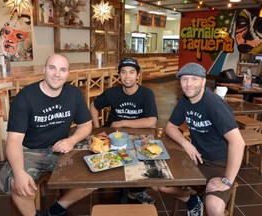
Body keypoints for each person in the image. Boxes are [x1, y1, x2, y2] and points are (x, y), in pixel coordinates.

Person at [0, 54, 93, 216]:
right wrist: (19, 173)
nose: (57, 74)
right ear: (44, 70)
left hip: (62, 149)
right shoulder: (26, 97)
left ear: (68, 74)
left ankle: (57, 209)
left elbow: (86, 125)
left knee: (96, 175)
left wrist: (72, 140)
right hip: (30, 151)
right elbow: (14, 140)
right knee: (18, 183)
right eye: (52, 68)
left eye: (62, 70)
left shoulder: (74, 94)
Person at [152, 62, 245, 216]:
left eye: (194, 79)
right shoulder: (185, 101)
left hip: (220, 163)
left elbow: (238, 142)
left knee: (214, 207)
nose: (189, 84)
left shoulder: (214, 104)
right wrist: (187, 144)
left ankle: (200, 199)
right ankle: (192, 201)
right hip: (196, 159)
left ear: (203, 81)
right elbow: (170, 127)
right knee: (158, 184)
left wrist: (227, 180)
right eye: (184, 79)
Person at [90, 57, 158, 204]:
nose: (127, 76)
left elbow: (151, 121)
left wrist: (123, 122)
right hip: (112, 134)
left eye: (131, 72)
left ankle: (136, 191)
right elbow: (94, 105)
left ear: (138, 75)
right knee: (104, 160)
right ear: (119, 75)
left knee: (149, 161)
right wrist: (97, 127)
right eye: (124, 72)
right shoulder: (112, 92)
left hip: (137, 134)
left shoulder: (147, 94)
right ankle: (116, 185)